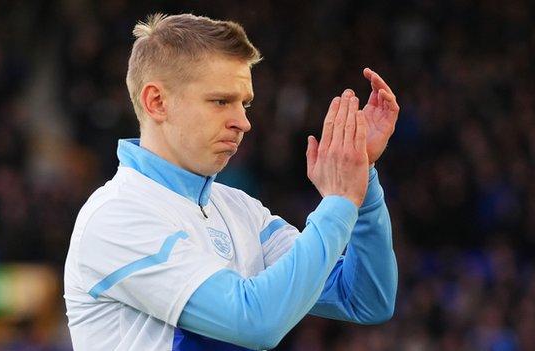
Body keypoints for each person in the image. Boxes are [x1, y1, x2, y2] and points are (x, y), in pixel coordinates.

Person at [64, 13, 400, 351]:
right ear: (157, 102)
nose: (243, 122)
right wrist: (338, 202)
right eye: (221, 101)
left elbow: (365, 299)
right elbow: (255, 322)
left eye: (245, 103)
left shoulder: (240, 210)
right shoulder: (116, 217)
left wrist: (361, 177)